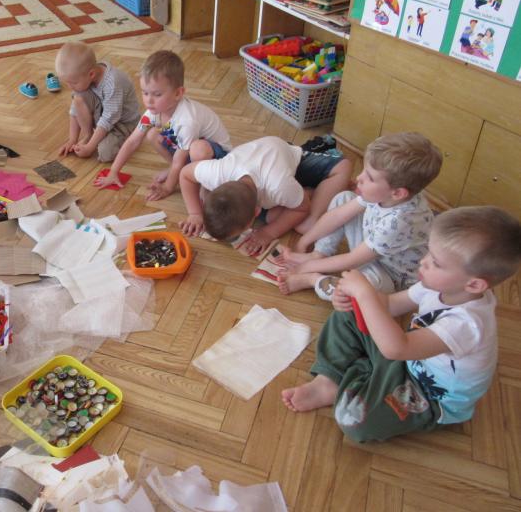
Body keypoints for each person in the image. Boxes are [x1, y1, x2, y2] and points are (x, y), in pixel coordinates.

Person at [281, 206, 521, 443]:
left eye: (436, 263)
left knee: (354, 420)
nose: (423, 262)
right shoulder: (439, 286)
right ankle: (329, 381)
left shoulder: (467, 324)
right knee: (349, 313)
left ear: (474, 285)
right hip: (408, 356)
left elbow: (396, 349)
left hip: (427, 394)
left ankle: (362, 373)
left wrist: (365, 294)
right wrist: (354, 298)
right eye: (428, 253)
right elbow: (389, 304)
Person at [277, 132, 441, 299]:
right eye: (364, 170)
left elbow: (351, 260)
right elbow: (336, 216)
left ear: (398, 193)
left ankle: (312, 280)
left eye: (370, 178)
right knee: (344, 198)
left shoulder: (400, 221)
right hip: (372, 248)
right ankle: (318, 255)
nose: (359, 178)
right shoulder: (386, 194)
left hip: (390, 276)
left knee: (355, 292)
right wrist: (304, 242)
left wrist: (304, 269)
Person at [178, 136, 352, 255]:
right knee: (286, 216)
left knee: (308, 224)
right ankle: (300, 193)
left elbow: (302, 208)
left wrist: (269, 232)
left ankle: (308, 189)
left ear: (257, 211)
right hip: (262, 165)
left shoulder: (279, 187)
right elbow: (185, 174)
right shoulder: (216, 172)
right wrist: (195, 213)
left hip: (291, 157)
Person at [94, 50, 232, 200]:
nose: (149, 101)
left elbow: (180, 159)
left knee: (198, 149)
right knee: (153, 134)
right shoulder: (152, 113)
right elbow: (133, 141)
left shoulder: (187, 121)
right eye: (145, 93)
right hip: (189, 151)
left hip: (219, 158)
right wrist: (113, 172)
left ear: (178, 93)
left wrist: (167, 188)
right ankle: (179, 171)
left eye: (157, 94)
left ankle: (204, 182)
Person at [55, 41, 141, 162]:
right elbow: (75, 109)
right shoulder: (85, 74)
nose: (70, 87)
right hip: (104, 115)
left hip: (122, 124)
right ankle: (89, 135)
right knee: (78, 97)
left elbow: (108, 119)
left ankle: (131, 139)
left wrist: (90, 148)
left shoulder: (113, 83)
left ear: (91, 74)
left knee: (106, 153)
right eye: (67, 82)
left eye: (73, 83)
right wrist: (72, 140)